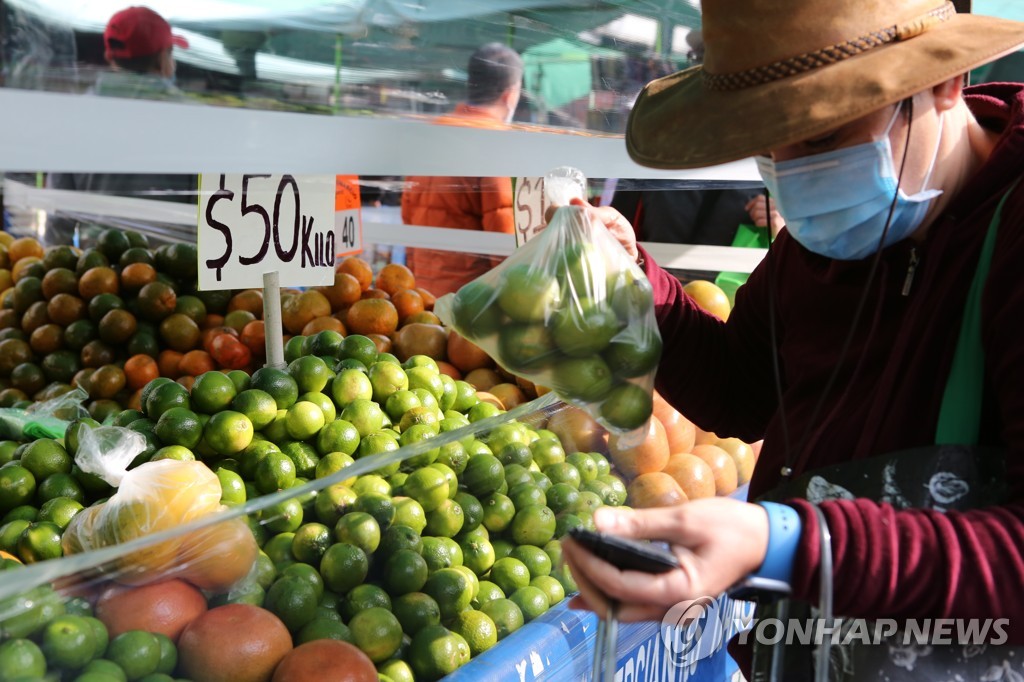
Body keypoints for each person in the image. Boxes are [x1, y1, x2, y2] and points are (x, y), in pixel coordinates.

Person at [561, 0, 1024, 679]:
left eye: (818, 134)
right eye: (765, 142)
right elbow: (742, 390)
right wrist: (637, 288)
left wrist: (792, 545)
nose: (788, 170)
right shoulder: (823, 249)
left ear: (942, 83)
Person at [45, 6, 195, 246]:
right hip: (173, 273)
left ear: (109, 56)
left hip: (95, 274)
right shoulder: (193, 119)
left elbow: (59, 217)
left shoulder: (75, 117)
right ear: (163, 59)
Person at [400, 43, 521, 296]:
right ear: (510, 94)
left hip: (421, 299)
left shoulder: (433, 134)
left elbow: (408, 216)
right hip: (469, 303)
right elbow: (504, 243)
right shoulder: (496, 143)